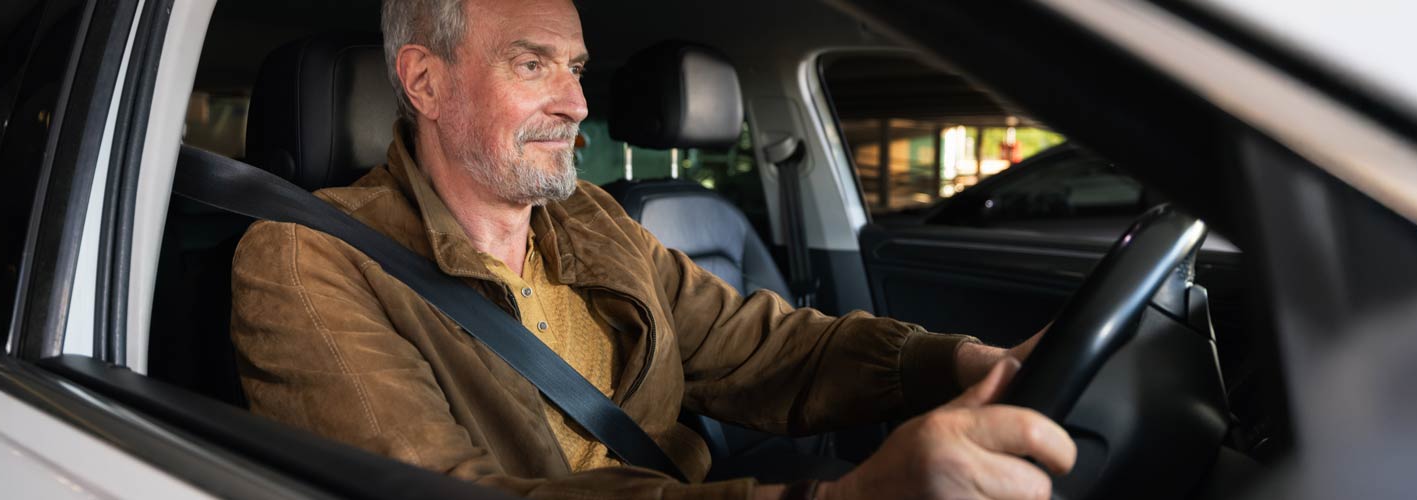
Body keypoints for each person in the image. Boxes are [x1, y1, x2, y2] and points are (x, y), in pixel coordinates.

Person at [229, 0, 1076, 498]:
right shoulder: (309, 259)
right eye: (534, 65)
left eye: (576, 67)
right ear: (425, 82)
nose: (576, 101)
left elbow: (761, 346)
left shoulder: (591, 219)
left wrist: (962, 363)